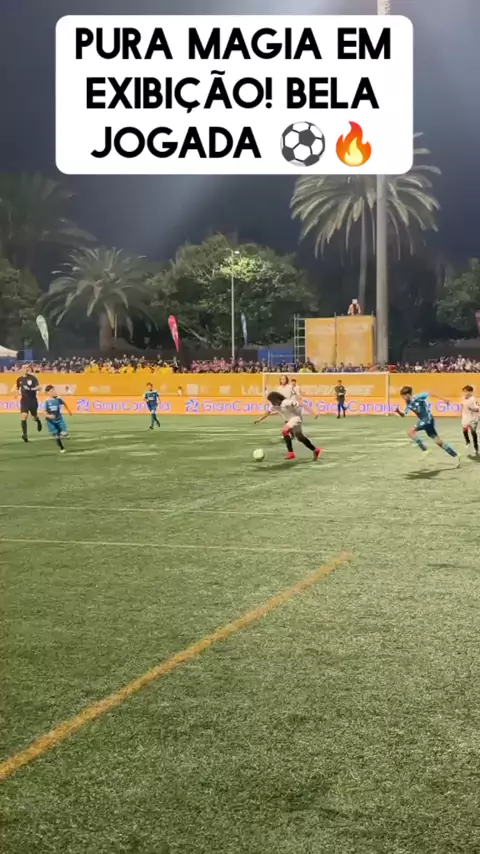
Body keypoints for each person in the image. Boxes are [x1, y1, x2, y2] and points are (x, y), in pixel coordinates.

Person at [395, 386, 459, 466]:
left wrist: (443, 399)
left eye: (403, 396)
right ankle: (456, 455)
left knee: (410, 432)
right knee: (438, 441)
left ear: (408, 394)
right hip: (426, 421)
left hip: (427, 419)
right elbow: (404, 415)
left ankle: (425, 450)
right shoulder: (408, 403)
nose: (403, 398)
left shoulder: (418, 397)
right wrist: (398, 411)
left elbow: (430, 393)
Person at [254, 391, 322, 461]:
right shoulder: (274, 406)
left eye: (271, 400)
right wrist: (260, 419)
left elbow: (302, 404)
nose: (271, 402)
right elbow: (267, 412)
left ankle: (291, 453)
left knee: (284, 431)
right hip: (291, 420)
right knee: (300, 437)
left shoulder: (286, 402)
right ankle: (315, 450)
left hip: (296, 418)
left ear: (276, 399)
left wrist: (313, 412)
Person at [44, 385, 73, 453]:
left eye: (54, 390)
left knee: (64, 433)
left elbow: (64, 403)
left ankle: (59, 434)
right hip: (51, 422)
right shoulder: (47, 401)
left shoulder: (58, 399)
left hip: (59, 419)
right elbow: (44, 413)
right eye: (52, 391)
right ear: (48, 392)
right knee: (57, 436)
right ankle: (61, 448)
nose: (54, 392)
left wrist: (68, 410)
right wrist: (49, 416)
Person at [17, 367, 42, 442]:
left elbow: (39, 387)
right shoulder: (19, 379)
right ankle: (25, 435)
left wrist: (30, 389)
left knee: (34, 416)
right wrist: (17, 393)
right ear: (21, 370)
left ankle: (38, 421)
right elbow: (18, 388)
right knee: (24, 416)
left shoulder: (32, 378)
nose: (25, 369)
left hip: (33, 400)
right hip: (24, 400)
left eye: (27, 368)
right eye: (24, 368)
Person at [461, 385, 479, 455]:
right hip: (465, 417)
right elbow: (462, 405)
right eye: (464, 391)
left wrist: (472, 409)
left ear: (470, 392)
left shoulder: (472, 399)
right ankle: (467, 441)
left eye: (467, 391)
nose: (465, 393)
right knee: (464, 430)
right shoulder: (463, 398)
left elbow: (477, 409)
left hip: (473, 417)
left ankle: (476, 447)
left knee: (473, 432)